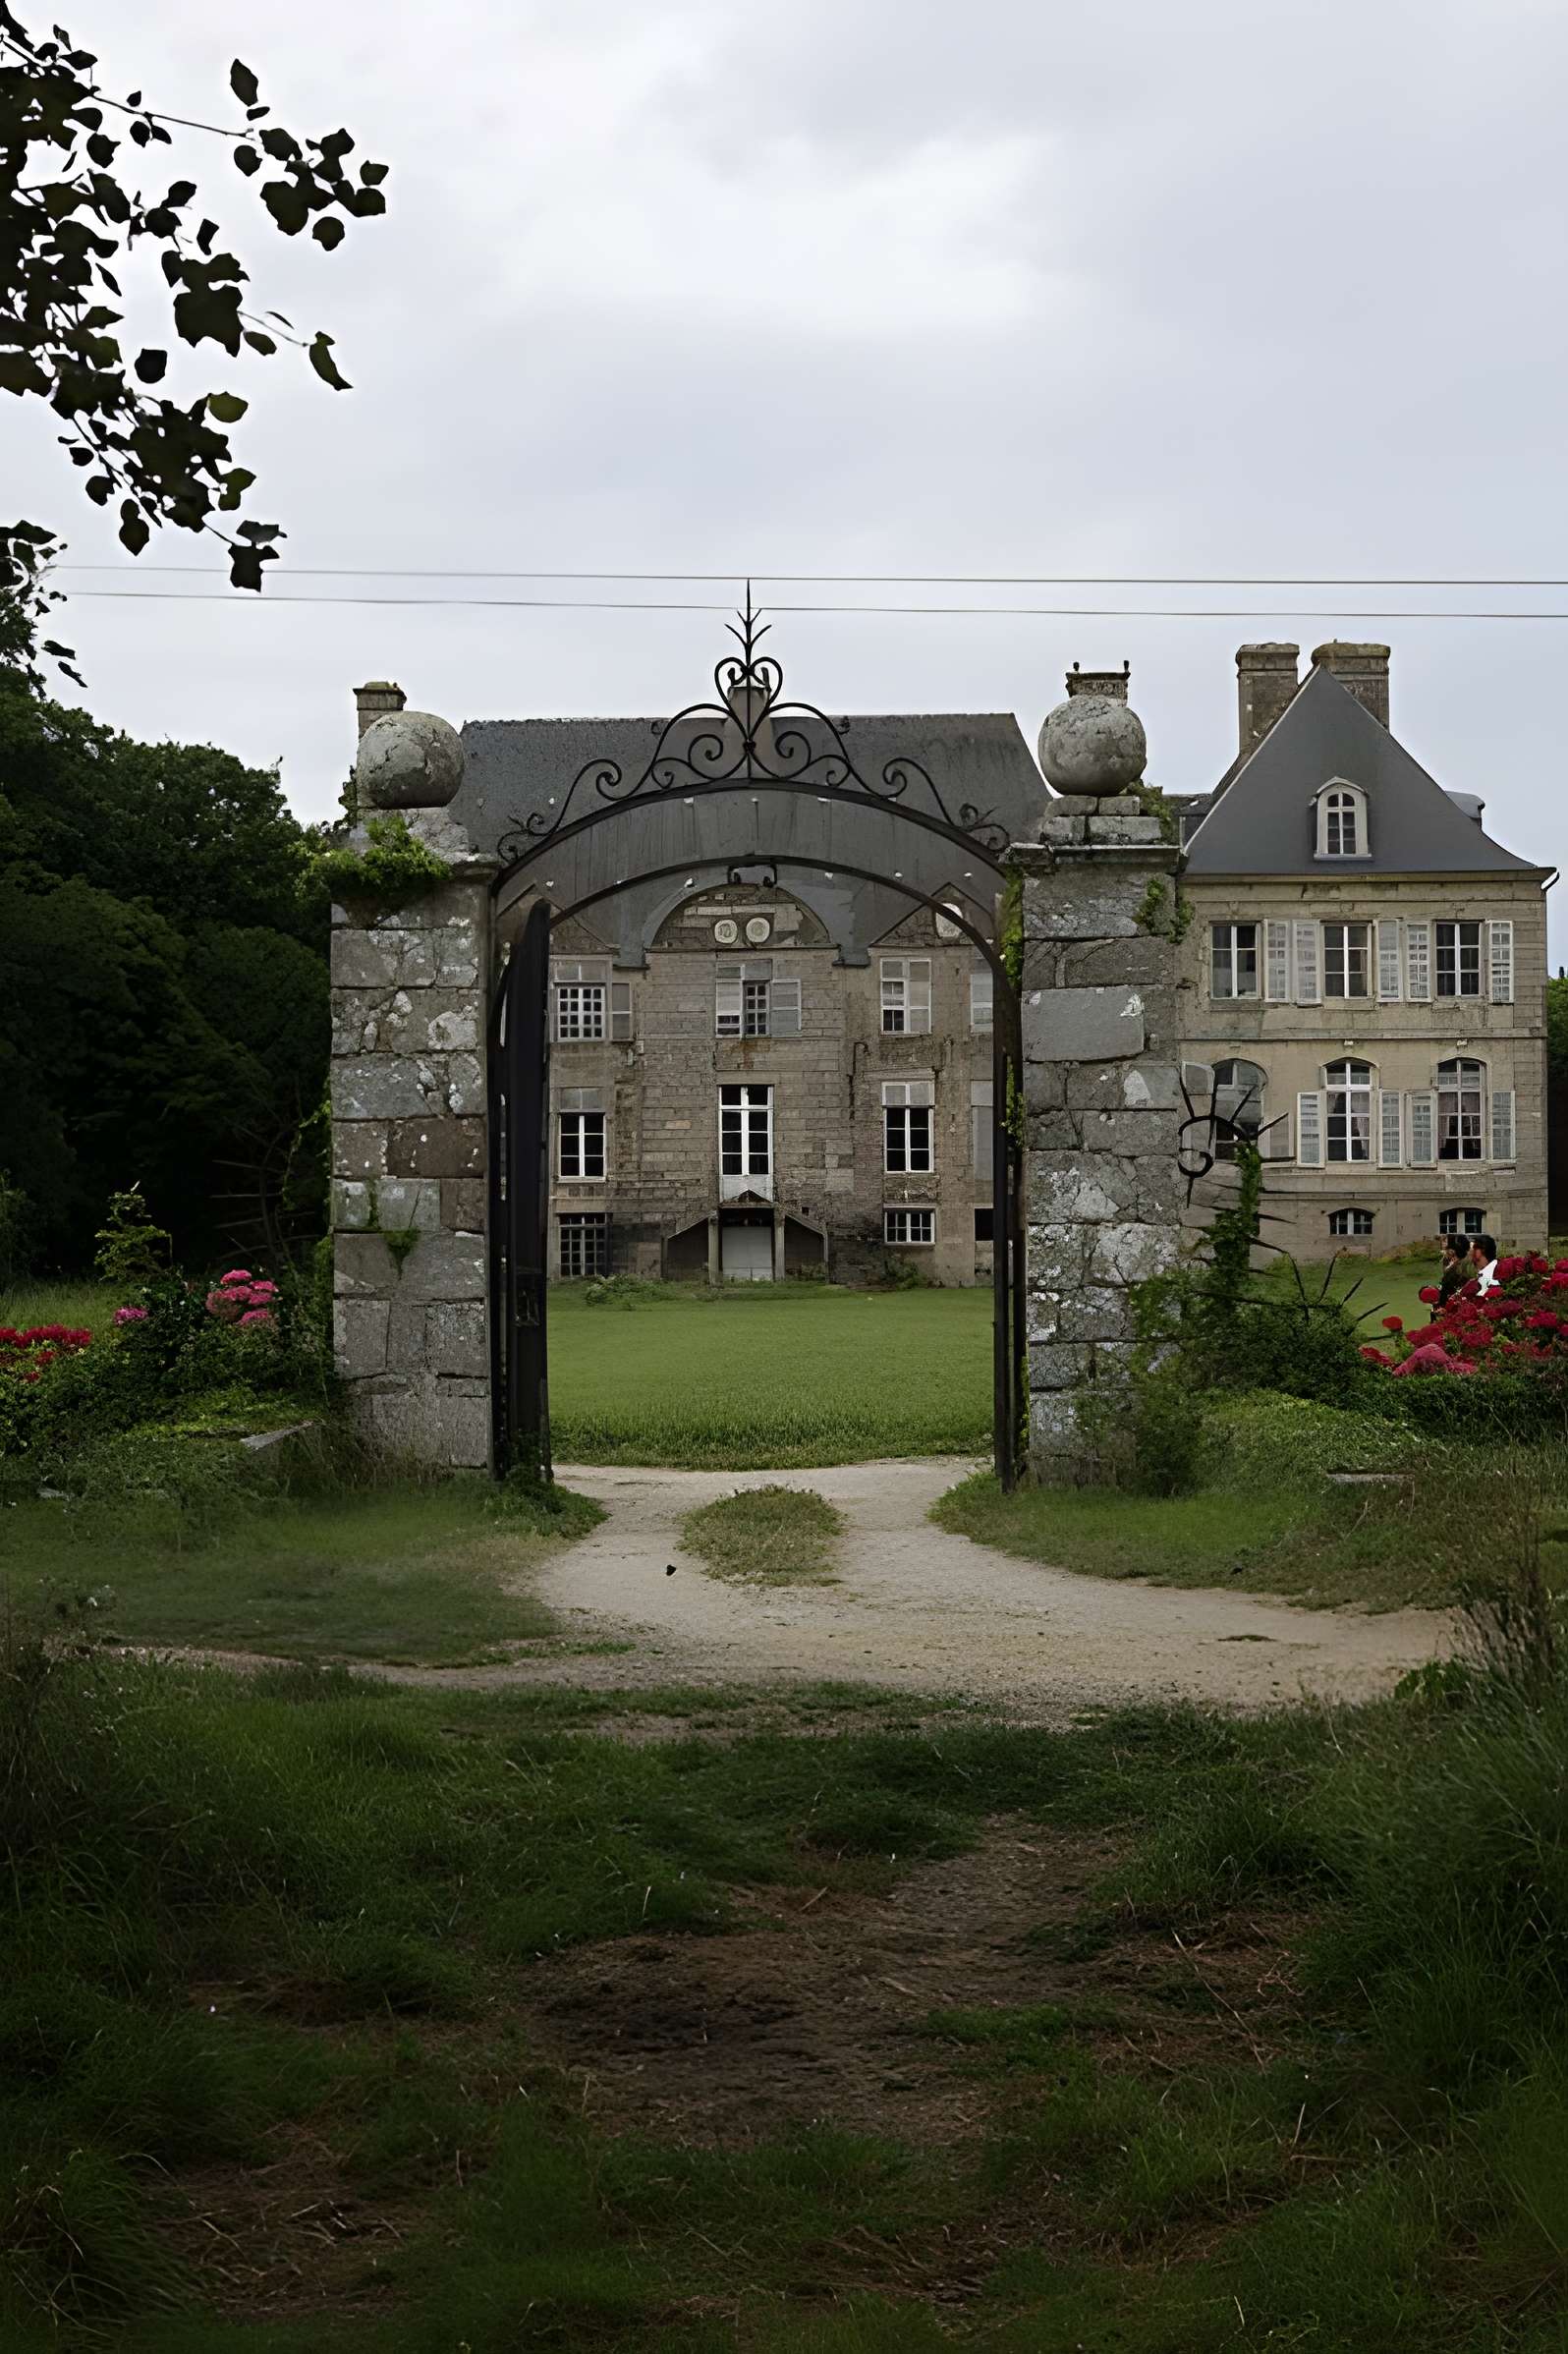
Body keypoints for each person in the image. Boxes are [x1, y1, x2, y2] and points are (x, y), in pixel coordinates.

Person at [1436, 1232, 1471, 1309]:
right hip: (1450, 1281)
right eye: (1443, 1241)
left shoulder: (1461, 1255)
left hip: (1459, 1280)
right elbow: (1445, 1271)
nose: (1443, 1243)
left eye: (1445, 1241)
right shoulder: (1446, 1256)